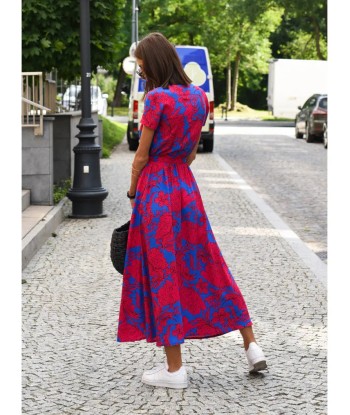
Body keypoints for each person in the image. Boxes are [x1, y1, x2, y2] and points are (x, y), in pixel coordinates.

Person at [117, 32, 267, 389]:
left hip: (156, 190)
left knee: (164, 272)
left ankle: (175, 370)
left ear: (153, 63)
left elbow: (141, 154)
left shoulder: (156, 99)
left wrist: (133, 190)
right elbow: (190, 154)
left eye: (141, 66)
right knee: (208, 263)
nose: (140, 73)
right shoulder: (199, 97)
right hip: (186, 189)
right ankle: (251, 346)